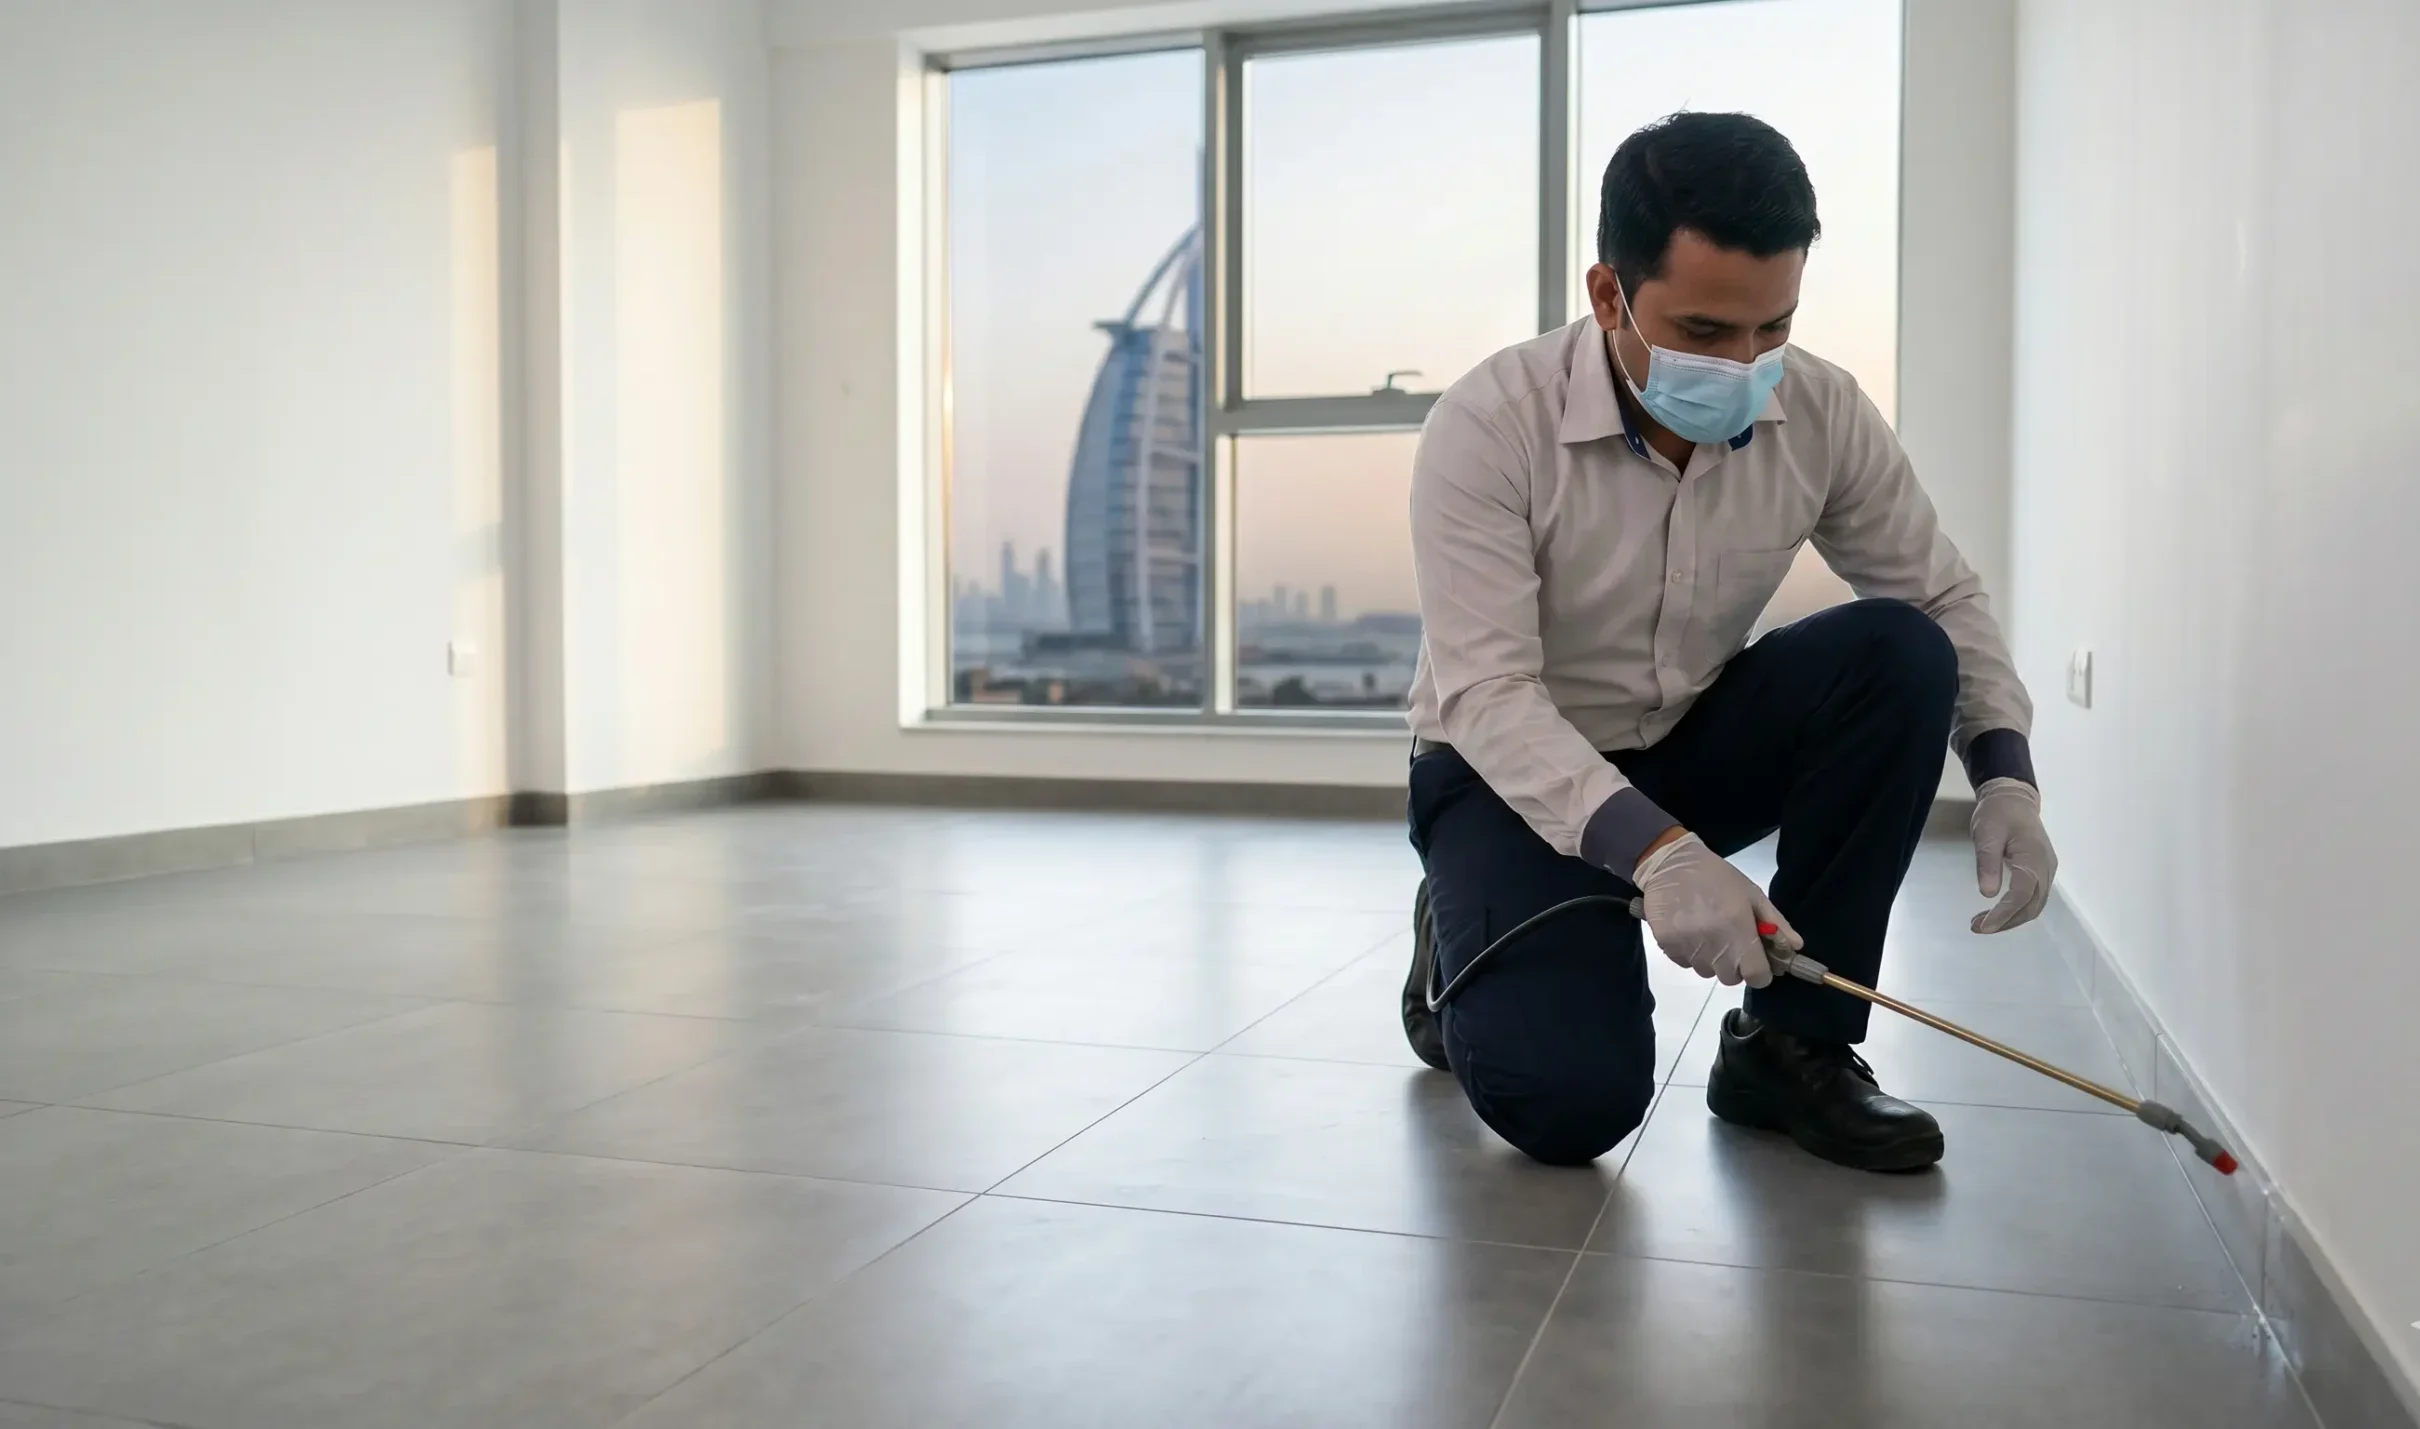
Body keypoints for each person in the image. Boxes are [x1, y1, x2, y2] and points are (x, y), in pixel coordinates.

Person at [1401, 111, 2056, 1173]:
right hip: (1502, 776)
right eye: (1706, 333)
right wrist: (1658, 856)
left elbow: (1935, 597)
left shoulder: (1824, 413)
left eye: (1773, 328)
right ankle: (1460, 921)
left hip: (1685, 742)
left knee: (1896, 651)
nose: (1746, 363)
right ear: (1607, 291)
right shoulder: (1490, 424)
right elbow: (1485, 694)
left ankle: (1788, 1047)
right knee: (1567, 1107)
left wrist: (2004, 774)